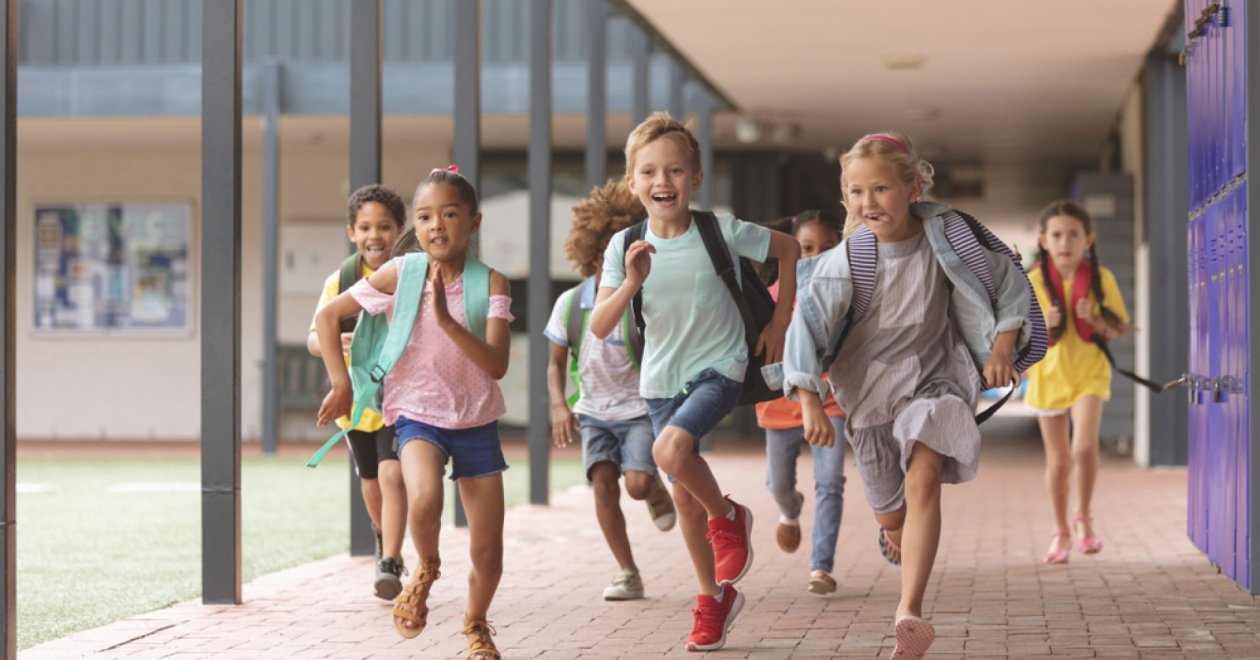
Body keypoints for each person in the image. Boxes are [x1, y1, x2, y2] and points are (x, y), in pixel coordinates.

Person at [782, 132, 1043, 658]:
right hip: (869, 397)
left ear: (913, 186)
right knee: (892, 513)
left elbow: (1010, 282)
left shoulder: (952, 239)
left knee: (925, 478)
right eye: (856, 192)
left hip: (936, 380)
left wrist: (1002, 346)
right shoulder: (846, 259)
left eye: (880, 189)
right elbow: (804, 325)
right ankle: (894, 530)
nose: (868, 203)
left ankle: (910, 611)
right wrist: (809, 396)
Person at [591, 111, 801, 652]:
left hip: (721, 366)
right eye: (650, 172)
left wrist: (780, 322)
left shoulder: (720, 230)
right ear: (634, 182)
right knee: (683, 497)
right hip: (661, 380)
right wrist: (631, 282)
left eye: (676, 170)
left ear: (696, 178)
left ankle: (729, 517)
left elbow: (789, 250)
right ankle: (713, 599)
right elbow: (600, 323)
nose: (663, 182)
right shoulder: (624, 246)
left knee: (669, 449)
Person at [314, 167, 511, 660]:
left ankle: (476, 624)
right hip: (417, 415)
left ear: (473, 222)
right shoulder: (403, 273)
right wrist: (341, 383)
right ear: (415, 228)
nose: (436, 225)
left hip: (476, 422)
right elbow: (327, 315)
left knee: (488, 553)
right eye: (424, 216)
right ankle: (425, 568)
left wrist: (446, 320)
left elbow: (497, 363)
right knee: (422, 497)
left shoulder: (491, 282)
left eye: (449, 214)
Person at [545, 179, 677, 601]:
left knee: (635, 484)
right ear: (591, 254)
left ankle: (654, 489)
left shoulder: (643, 301)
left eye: (619, 251)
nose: (610, 261)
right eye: (603, 253)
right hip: (593, 412)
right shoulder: (569, 304)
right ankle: (626, 571)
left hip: (638, 410)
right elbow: (554, 365)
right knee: (603, 484)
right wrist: (559, 407)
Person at [305, 183, 408, 600]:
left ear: (399, 230)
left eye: (384, 226)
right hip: (355, 401)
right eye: (365, 227)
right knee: (370, 481)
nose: (375, 235)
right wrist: (337, 343)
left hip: (400, 396)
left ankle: (391, 560)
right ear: (352, 231)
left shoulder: (407, 274)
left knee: (392, 472)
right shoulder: (342, 280)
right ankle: (384, 535)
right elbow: (315, 336)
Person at [1026, 199, 1131, 564]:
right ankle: (1060, 531)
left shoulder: (1103, 280)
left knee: (1084, 448)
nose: (1064, 241)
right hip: (1048, 375)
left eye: (1073, 234)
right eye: (1056, 235)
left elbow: (1119, 328)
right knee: (1058, 462)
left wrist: (1097, 319)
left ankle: (1084, 517)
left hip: (1089, 371)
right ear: (1044, 240)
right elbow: (1021, 337)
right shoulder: (1034, 281)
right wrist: (1046, 323)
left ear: (1088, 239)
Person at [753, 210, 848, 596]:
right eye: (806, 248)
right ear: (789, 252)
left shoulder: (845, 294)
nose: (815, 256)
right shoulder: (770, 297)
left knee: (830, 482)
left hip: (829, 399)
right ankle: (790, 510)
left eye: (827, 248)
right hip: (778, 403)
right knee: (779, 485)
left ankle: (821, 567)